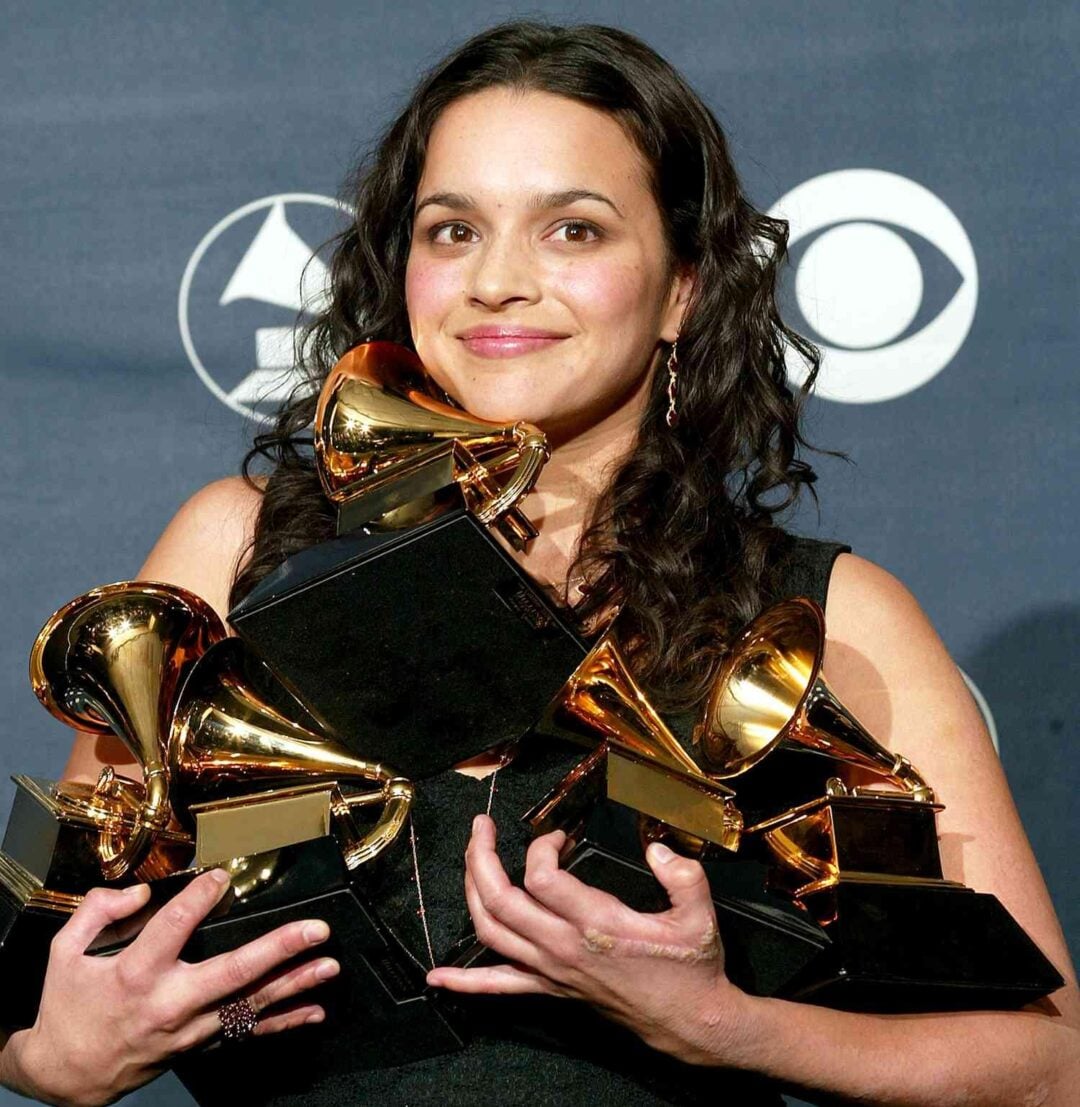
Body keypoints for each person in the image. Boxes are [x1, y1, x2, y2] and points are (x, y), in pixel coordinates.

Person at [2, 20, 1077, 1107]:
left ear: (684, 289)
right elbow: (40, 990)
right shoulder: (232, 552)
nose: (498, 282)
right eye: (452, 231)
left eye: (573, 230)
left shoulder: (831, 618)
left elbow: (1051, 1065)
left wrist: (730, 1029)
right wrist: (61, 1058)